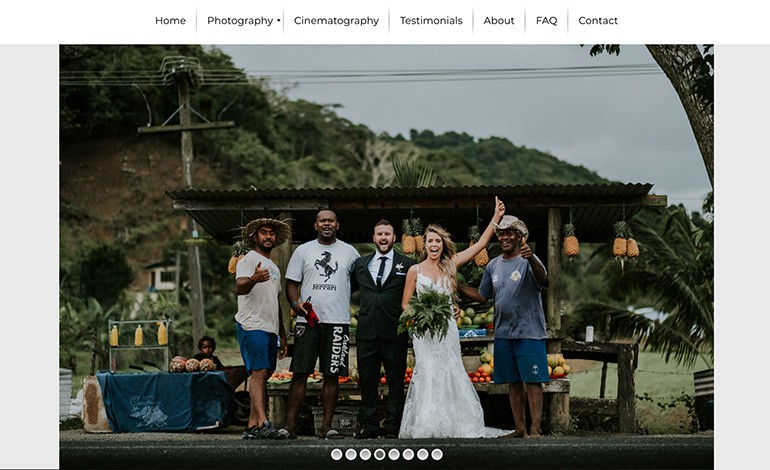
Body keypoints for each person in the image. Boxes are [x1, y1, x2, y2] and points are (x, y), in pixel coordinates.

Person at [398, 196, 510, 439]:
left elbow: (480, 244)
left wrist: (496, 218)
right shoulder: (414, 271)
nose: (434, 245)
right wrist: (418, 314)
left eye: (438, 240)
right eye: (430, 241)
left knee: (450, 369)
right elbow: (405, 303)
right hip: (424, 331)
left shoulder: (450, 265)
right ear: (424, 245)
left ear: (443, 244)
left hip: (447, 329)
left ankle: (456, 422)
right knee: (427, 370)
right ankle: (428, 424)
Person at [458, 214, 549, 438]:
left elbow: (543, 278)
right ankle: (520, 429)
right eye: (500, 233)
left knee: (533, 381)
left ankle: (535, 430)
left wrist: (532, 260)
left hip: (529, 332)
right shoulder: (492, 265)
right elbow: (481, 296)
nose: (504, 237)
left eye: (509, 232)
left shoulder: (529, 260)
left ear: (520, 236)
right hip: (503, 332)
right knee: (513, 382)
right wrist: (456, 283)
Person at [282, 210, 360, 440]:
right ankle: (290, 427)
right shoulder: (303, 250)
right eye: (322, 220)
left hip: (337, 322)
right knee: (299, 373)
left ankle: (327, 428)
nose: (327, 223)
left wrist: (339, 293)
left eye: (331, 220)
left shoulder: (350, 252)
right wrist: (296, 305)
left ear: (338, 224)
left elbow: (355, 281)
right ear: (315, 225)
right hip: (308, 321)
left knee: (332, 375)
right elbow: (292, 283)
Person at [350, 219, 416, 439]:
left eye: (387, 234)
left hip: (394, 332)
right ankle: (368, 426)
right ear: (374, 238)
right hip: (367, 331)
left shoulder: (407, 264)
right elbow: (346, 290)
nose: (383, 238)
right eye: (379, 234)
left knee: (396, 382)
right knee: (367, 382)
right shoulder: (360, 264)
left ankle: (392, 426)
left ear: (394, 237)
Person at [235, 217, 290, 440]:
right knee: (258, 373)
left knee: (265, 373)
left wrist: (282, 334)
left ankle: (250, 425)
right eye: (263, 233)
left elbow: (275, 301)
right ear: (255, 237)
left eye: (271, 233)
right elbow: (239, 287)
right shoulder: (248, 260)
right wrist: (254, 279)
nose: (268, 236)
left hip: (270, 328)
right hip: (251, 325)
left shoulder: (275, 268)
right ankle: (264, 423)